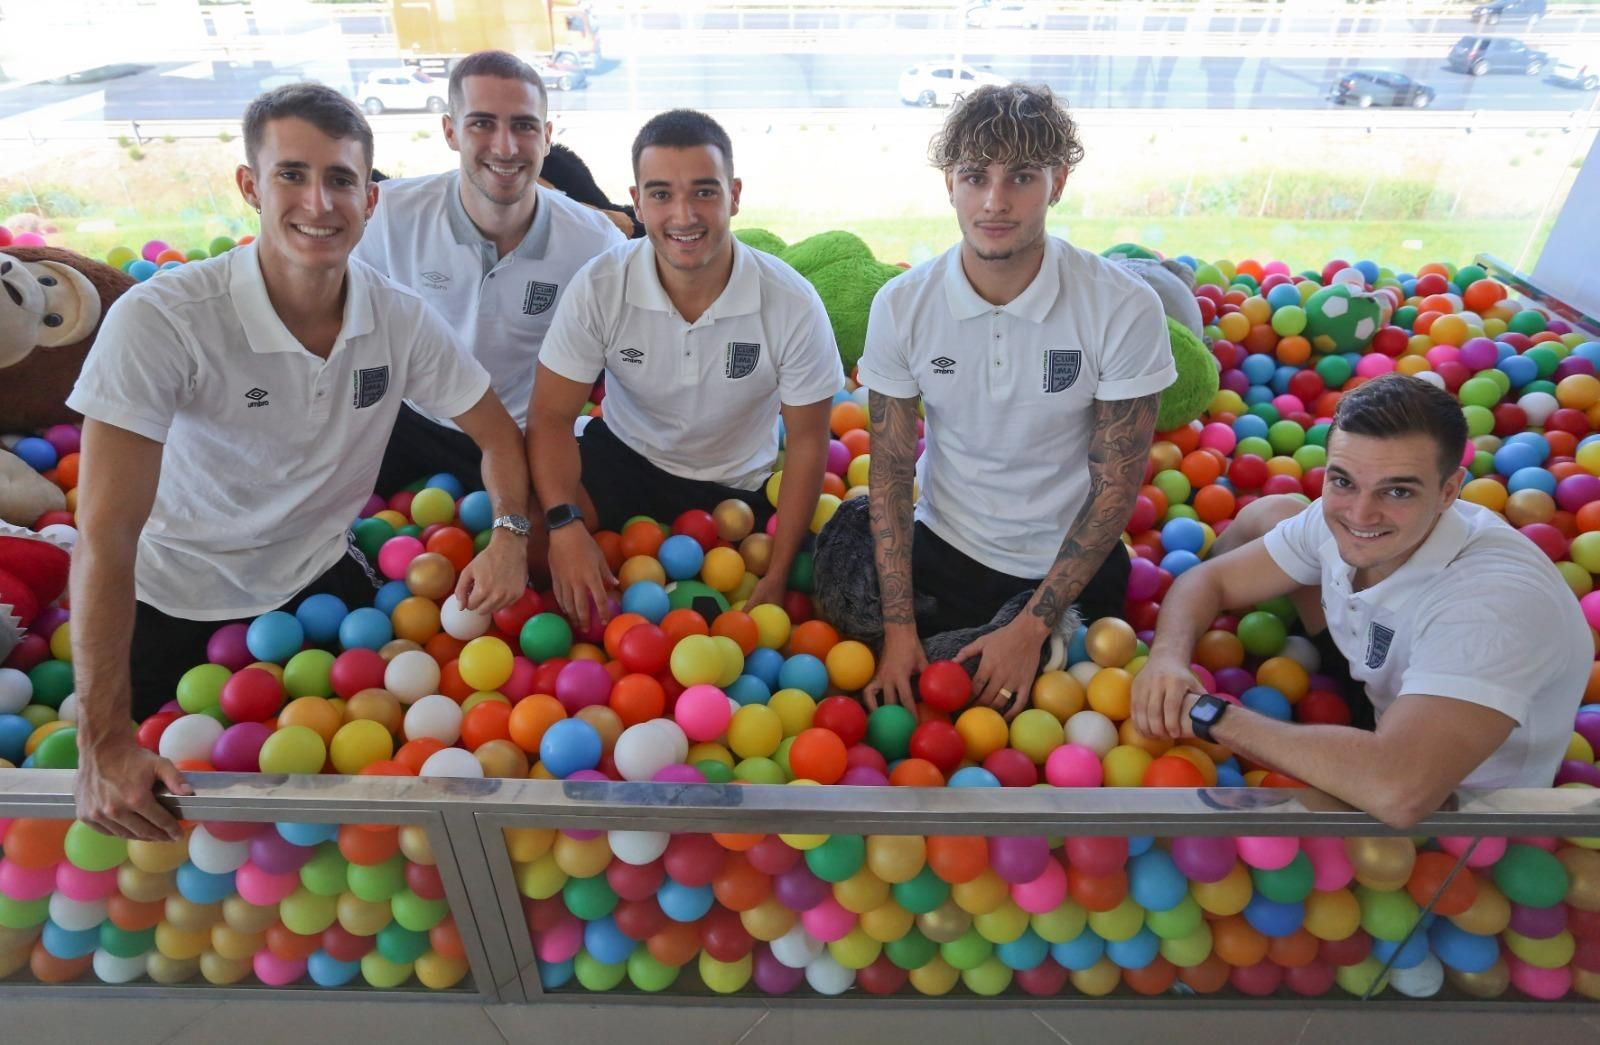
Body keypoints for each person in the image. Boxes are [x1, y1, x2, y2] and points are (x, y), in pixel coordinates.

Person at [67, 84, 532, 842]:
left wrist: (510, 532)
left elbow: (496, 433)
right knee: (137, 812)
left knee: (359, 787)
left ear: (370, 199)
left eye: (342, 179)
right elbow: (105, 533)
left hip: (317, 581)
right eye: (292, 174)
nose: (319, 201)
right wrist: (103, 739)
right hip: (170, 595)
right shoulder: (163, 321)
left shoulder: (398, 318)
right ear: (250, 185)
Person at [830, 83, 1174, 719]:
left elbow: (1115, 489)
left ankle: (1044, 636)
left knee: (965, 697)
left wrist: (1030, 628)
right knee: (844, 551)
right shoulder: (903, 305)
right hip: (944, 542)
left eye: (1020, 176)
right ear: (949, 183)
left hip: (1063, 567)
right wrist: (899, 629)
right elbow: (889, 473)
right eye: (974, 176)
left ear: (1058, 181)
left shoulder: (1122, 307)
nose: (994, 201)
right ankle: (929, 637)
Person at [1132, 373, 1590, 828]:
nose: (1361, 513)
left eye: (1398, 491)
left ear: (1449, 490)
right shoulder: (1337, 519)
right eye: (1343, 481)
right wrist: (1168, 658)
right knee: (1272, 512)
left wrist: (1209, 713)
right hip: (1375, 695)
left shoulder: (1493, 603)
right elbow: (1209, 580)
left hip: (1456, 815)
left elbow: (1398, 791)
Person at [529, 109, 844, 626]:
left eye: (704, 192)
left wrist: (778, 571)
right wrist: (566, 529)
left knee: (829, 598)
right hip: (626, 457)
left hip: (739, 485)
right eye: (660, 195)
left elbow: (810, 440)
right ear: (636, 201)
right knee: (533, 552)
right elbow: (550, 416)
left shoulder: (790, 301)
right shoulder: (600, 285)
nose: (683, 215)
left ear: (734, 195)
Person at [353, 50, 625, 498]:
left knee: (555, 539)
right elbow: (328, 316)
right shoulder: (386, 215)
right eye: (482, 123)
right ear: (450, 132)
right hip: (409, 418)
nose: (505, 146)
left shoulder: (595, 243)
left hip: (524, 434)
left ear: (547, 136)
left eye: (523, 125)